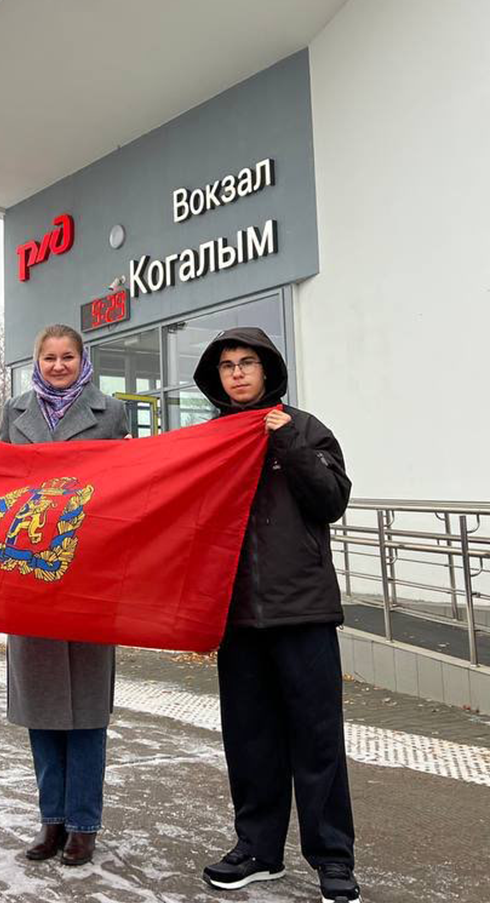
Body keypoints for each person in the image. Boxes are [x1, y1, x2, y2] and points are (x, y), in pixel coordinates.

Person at [190, 327, 359, 901]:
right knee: (250, 741)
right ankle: (258, 850)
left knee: (317, 740)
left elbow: (331, 501)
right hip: (237, 617)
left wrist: (286, 441)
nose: (237, 372)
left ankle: (332, 858)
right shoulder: (208, 440)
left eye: (247, 363)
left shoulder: (305, 429)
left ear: (267, 371)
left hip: (303, 612)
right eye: (227, 365)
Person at [0, 323, 127, 868]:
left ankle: (83, 824)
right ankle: (51, 819)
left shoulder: (111, 413)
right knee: (42, 704)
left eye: (67, 357)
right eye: (48, 358)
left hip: (90, 572)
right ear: (37, 362)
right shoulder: (14, 413)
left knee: (87, 707)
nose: (58, 366)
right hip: (30, 573)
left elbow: (128, 486)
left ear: (82, 359)